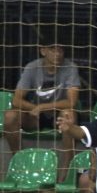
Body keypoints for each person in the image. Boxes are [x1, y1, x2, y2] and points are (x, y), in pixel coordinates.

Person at [4, 37, 81, 178]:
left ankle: (65, 173)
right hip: (35, 116)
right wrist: (36, 108)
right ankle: (21, 162)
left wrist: (43, 106)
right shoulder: (32, 67)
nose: (58, 54)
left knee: (68, 114)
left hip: (58, 117)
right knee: (10, 116)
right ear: (43, 51)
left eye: (60, 50)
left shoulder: (70, 68)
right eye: (53, 49)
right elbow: (16, 100)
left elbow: (71, 102)